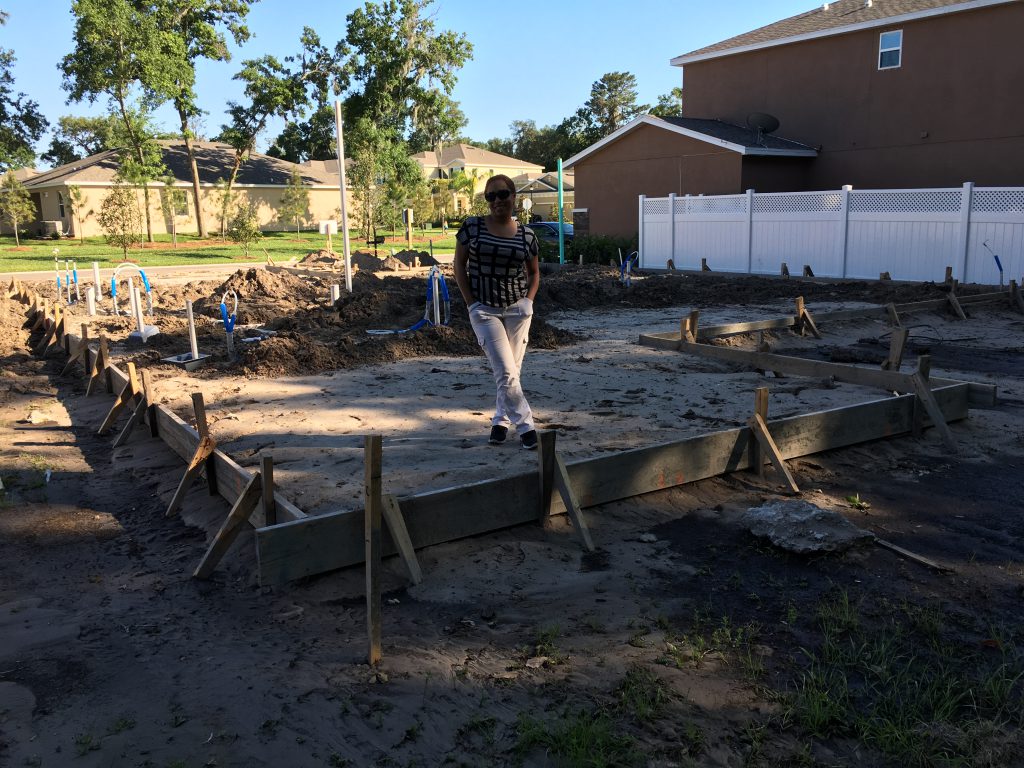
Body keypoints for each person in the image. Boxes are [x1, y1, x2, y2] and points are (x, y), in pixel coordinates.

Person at [454, 174, 540, 450]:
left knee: (512, 371)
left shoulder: (527, 235)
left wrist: (529, 300)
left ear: (514, 196)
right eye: (490, 196)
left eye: (502, 194)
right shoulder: (472, 227)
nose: (497, 201)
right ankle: (527, 426)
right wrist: (471, 303)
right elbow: (459, 267)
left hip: (517, 310)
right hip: (484, 311)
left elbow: (535, 272)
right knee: (505, 370)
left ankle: (500, 421)